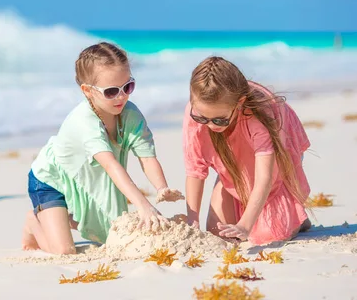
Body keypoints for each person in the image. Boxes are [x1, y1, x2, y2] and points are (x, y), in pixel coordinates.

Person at [22, 42, 182, 255]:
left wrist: (161, 187)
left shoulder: (130, 114)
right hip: (51, 180)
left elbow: (147, 157)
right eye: (111, 91)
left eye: (128, 87)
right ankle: (34, 220)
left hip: (87, 176)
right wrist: (144, 205)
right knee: (64, 251)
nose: (122, 96)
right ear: (87, 91)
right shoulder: (84, 122)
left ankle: (60, 220)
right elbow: (111, 165)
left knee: (109, 233)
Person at [183, 56, 312, 245]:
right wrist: (192, 221)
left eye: (219, 120)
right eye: (203, 119)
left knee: (269, 235)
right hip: (231, 156)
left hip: (273, 158)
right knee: (216, 232)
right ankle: (229, 177)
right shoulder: (196, 113)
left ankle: (296, 219)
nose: (210, 126)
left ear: (240, 103)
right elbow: (195, 170)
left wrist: (245, 225)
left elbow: (264, 179)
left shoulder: (259, 117)